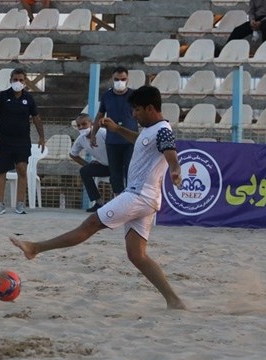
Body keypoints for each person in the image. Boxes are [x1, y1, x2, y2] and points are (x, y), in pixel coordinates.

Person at [11, 86, 186, 310]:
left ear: (150, 108)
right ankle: (174, 300)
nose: (134, 114)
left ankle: (35, 248)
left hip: (138, 195)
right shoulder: (152, 131)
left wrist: (175, 169)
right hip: (147, 199)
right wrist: (117, 129)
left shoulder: (163, 130)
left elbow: (171, 151)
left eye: (137, 110)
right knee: (137, 255)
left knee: (91, 224)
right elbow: (141, 140)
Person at [0, 68, 45, 215]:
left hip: (22, 141)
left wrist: (41, 137)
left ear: (25, 82)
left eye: (21, 80)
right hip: (4, 141)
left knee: (22, 169)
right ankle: (0, 204)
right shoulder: (3, 96)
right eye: (15, 79)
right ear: (10, 80)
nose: (18, 82)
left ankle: (20, 204)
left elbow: (36, 118)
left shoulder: (29, 98)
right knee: (1, 171)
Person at [90, 66, 138, 198]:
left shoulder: (134, 95)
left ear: (127, 79)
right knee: (115, 173)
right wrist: (93, 134)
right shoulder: (107, 95)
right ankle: (118, 199)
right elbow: (99, 115)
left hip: (130, 140)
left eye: (123, 79)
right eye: (117, 79)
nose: (120, 82)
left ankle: (131, 198)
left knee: (130, 171)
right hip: (112, 141)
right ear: (112, 79)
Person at [69, 113, 109, 213]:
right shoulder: (80, 139)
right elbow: (73, 154)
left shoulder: (102, 133)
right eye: (78, 125)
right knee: (84, 171)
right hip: (103, 165)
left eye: (84, 124)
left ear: (91, 124)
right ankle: (99, 202)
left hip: (117, 165)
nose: (81, 127)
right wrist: (87, 164)